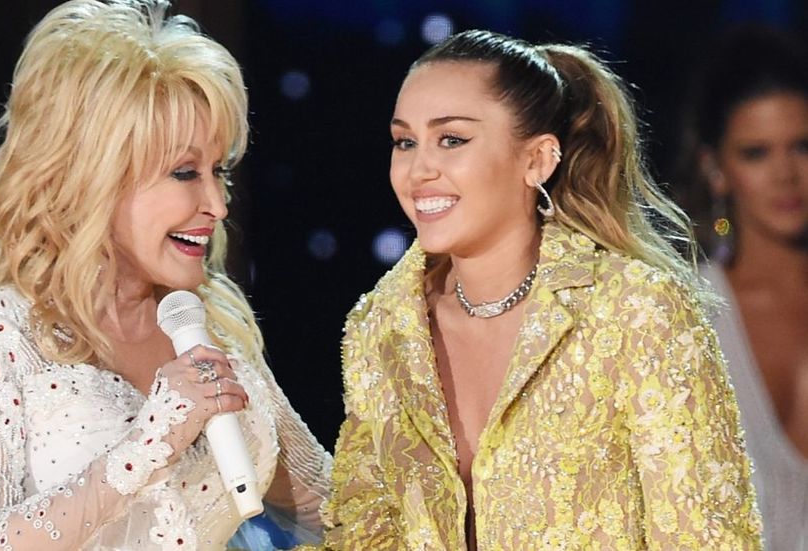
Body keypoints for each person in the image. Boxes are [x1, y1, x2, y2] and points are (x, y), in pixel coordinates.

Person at [311, 30, 763, 549]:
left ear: (538, 160)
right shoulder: (383, 329)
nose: (419, 170)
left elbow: (707, 538)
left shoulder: (635, 311)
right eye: (404, 142)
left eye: (452, 139)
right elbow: (364, 534)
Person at [0, 1, 331, 549]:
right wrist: (151, 439)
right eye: (185, 173)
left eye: (218, 171)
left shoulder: (212, 327)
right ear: (94, 176)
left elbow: (335, 506)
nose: (217, 204)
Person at [677, 27, 808, 551]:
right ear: (716, 169)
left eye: (802, 146)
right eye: (756, 153)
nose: (786, 175)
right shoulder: (688, 317)